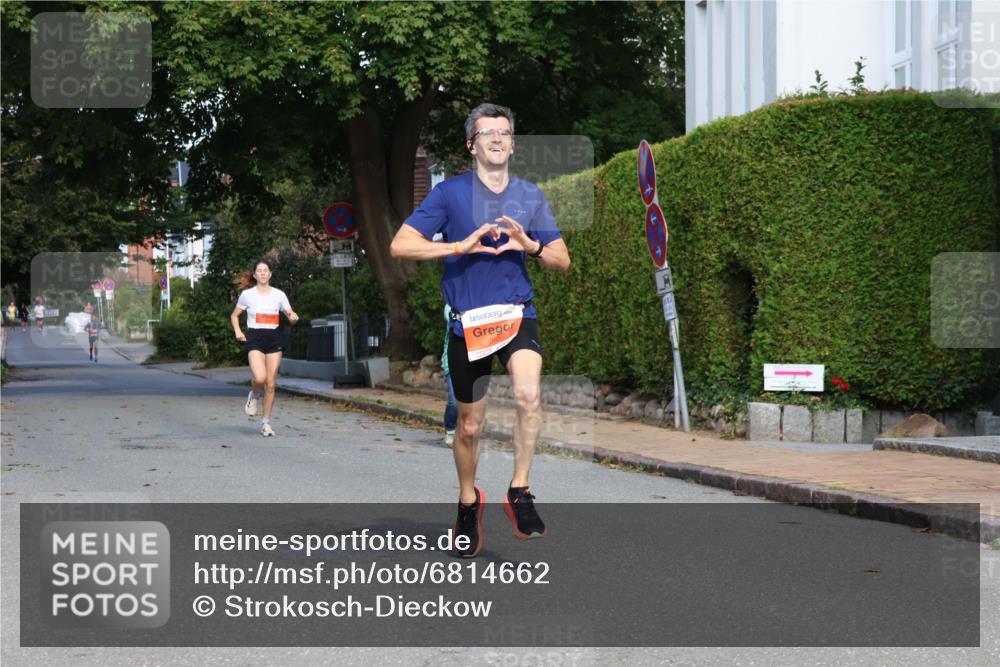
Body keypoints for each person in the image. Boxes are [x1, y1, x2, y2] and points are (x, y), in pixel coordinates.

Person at [390, 102, 571, 558]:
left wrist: (530, 245)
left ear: (512, 144)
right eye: (487, 132)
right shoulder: (449, 195)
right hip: (469, 324)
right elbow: (400, 244)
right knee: (469, 427)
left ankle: (520, 489)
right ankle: (469, 501)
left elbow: (562, 259)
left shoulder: (530, 195)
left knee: (530, 396)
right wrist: (458, 245)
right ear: (472, 144)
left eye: (504, 132)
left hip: (516, 314)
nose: (497, 138)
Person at [230, 259, 300, 437]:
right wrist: (238, 331)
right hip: (254, 338)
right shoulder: (247, 295)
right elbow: (235, 315)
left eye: (265, 270)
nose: (262, 273)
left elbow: (289, 313)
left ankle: (266, 423)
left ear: (270, 274)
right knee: (260, 377)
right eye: (259, 270)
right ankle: (253, 395)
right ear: (255, 275)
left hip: (274, 338)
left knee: (270, 384)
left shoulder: (279, 295)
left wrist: (293, 317)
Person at [442, 304, 458, 446]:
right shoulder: (450, 307)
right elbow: (450, 318)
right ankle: (450, 429)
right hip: (451, 362)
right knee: (454, 400)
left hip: (471, 361)